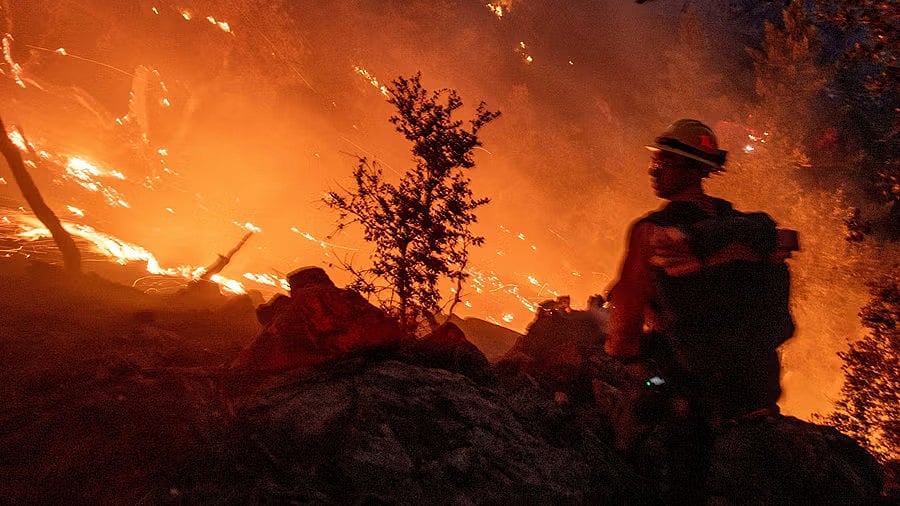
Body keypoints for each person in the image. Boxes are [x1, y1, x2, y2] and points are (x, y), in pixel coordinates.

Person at [605, 119, 798, 501]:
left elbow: (625, 321)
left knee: (643, 420)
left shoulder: (652, 231)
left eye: (664, 162)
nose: (654, 170)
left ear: (694, 170)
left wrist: (628, 359)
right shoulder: (738, 227)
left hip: (686, 389)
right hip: (754, 386)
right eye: (655, 162)